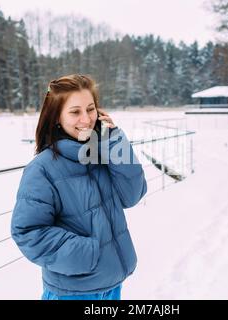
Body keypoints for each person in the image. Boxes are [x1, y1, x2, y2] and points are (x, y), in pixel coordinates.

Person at [10, 74, 147, 300]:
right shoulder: (42, 169)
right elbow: (27, 231)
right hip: (73, 293)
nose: (86, 119)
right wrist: (88, 254)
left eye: (91, 109)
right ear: (56, 117)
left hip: (112, 287)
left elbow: (131, 196)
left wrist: (113, 141)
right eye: (75, 112)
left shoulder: (102, 151)